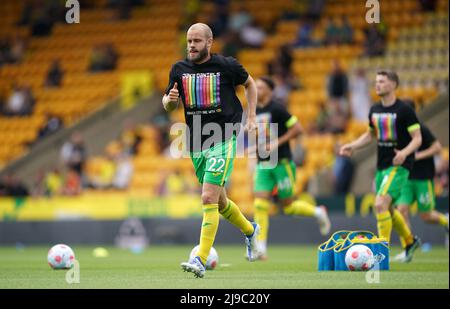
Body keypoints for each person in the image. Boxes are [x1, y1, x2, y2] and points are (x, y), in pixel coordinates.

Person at [162, 23, 259, 278]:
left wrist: (251, 117)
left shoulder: (227, 66)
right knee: (221, 201)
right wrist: (168, 102)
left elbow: (251, 85)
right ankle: (250, 230)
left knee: (207, 198)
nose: (191, 45)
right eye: (189, 41)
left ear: (209, 42)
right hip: (195, 142)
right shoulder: (178, 70)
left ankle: (200, 259)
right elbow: (168, 103)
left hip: (224, 136)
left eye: (196, 41)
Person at [339, 70, 422, 262]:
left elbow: (417, 139)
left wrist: (404, 153)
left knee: (380, 204)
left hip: (399, 165)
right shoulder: (374, 109)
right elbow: (370, 135)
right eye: (376, 82)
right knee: (389, 209)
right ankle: (409, 241)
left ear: (393, 84)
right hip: (382, 165)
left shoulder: (404, 110)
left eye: (382, 82)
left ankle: (380, 254)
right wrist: (353, 145)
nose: (377, 85)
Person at [251, 77, 331, 260]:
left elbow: (298, 129)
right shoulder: (255, 110)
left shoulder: (277, 108)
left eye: (261, 87)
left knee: (288, 207)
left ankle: (318, 212)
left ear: (270, 90)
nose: (257, 89)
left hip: (282, 162)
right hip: (264, 163)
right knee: (259, 204)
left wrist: (276, 143)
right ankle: (260, 248)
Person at [393, 104, 449, 262]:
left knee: (426, 215)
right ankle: (407, 249)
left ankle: (446, 220)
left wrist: (417, 155)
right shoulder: (399, 132)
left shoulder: (421, 129)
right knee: (401, 210)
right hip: (406, 178)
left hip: (423, 178)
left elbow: (437, 147)